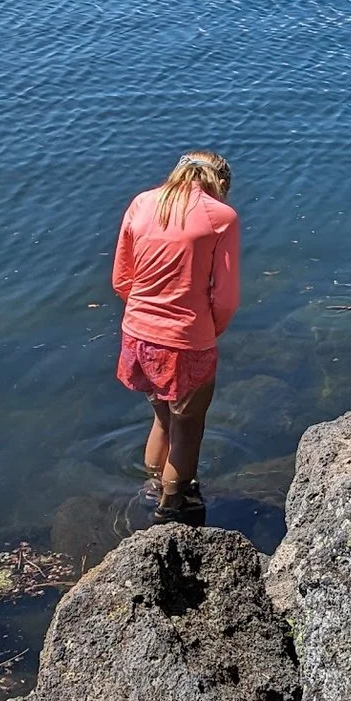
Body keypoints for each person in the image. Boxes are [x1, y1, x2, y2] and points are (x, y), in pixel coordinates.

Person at [111, 150, 240, 523]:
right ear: (222, 185)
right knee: (188, 428)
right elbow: (226, 299)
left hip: (136, 335)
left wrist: (146, 317)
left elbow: (122, 279)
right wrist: (206, 331)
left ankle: (152, 487)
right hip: (186, 340)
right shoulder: (221, 217)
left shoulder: (142, 203)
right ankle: (171, 508)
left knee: (163, 419)